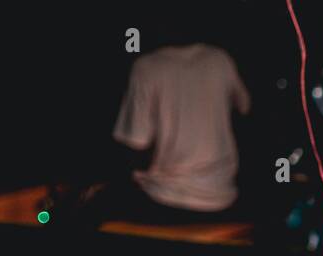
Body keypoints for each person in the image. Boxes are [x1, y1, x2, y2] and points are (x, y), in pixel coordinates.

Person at [73, 32, 250, 226]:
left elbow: (135, 147)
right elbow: (244, 108)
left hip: (164, 199)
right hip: (223, 196)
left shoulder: (147, 67)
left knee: (81, 212)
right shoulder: (220, 59)